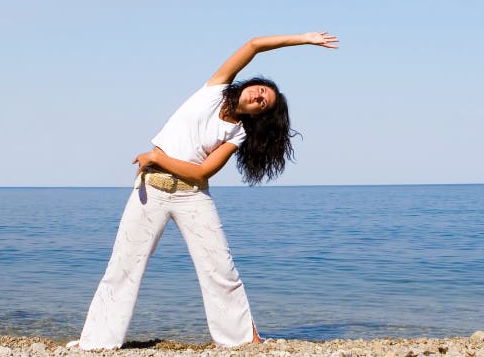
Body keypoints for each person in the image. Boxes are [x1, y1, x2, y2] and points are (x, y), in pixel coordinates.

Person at [69, 31, 339, 350]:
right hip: (151, 190)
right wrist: (304, 39)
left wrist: (158, 157)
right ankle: (96, 342)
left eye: (263, 103)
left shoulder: (236, 134)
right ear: (251, 84)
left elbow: (201, 171)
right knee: (123, 266)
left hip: (192, 195)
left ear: (258, 116)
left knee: (219, 268)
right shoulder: (215, 88)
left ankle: (239, 340)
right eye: (260, 90)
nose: (258, 96)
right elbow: (253, 45)